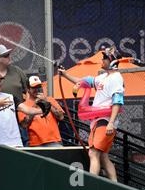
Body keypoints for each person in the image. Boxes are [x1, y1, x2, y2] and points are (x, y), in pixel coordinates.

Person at [59, 47, 124, 181]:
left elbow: (117, 102)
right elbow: (82, 82)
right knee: (104, 157)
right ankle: (117, 187)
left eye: (105, 58)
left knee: (93, 153)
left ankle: (91, 187)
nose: (102, 60)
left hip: (105, 120)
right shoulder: (102, 77)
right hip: (97, 120)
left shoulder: (116, 78)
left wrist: (111, 122)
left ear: (112, 61)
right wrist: (65, 74)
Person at [18, 76, 64, 147]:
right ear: (28, 89)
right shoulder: (23, 105)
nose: (37, 89)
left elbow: (61, 117)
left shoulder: (50, 100)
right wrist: (34, 105)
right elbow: (24, 125)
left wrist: (47, 102)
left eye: (39, 86)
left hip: (54, 141)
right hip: (35, 143)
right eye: (34, 87)